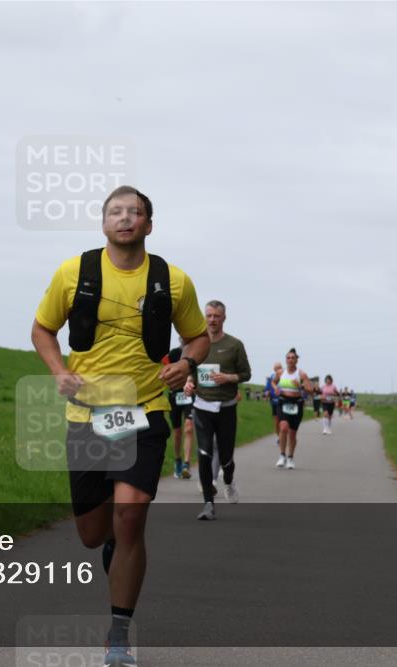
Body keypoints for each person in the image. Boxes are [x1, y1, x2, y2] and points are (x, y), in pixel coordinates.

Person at [31, 185, 209, 667]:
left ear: (149, 224)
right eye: (115, 211)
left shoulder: (173, 281)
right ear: (103, 222)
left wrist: (186, 364)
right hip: (87, 414)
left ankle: (119, 631)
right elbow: (42, 329)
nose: (125, 218)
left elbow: (197, 337)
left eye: (135, 213)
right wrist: (59, 372)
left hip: (146, 409)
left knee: (131, 515)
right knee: (94, 533)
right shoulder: (75, 272)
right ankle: (112, 541)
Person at [183, 300, 251, 520]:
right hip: (202, 405)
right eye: (209, 315)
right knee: (203, 454)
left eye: (216, 316)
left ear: (224, 318)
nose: (212, 320)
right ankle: (208, 505)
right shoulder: (194, 344)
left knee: (226, 458)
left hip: (226, 407)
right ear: (205, 317)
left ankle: (228, 481)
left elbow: (246, 374)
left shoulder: (234, 345)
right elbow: (189, 370)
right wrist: (188, 382)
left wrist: (228, 378)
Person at [269, 348, 313, 470]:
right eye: (288, 358)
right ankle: (282, 455)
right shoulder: (280, 373)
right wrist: (275, 388)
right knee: (283, 427)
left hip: (296, 404)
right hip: (283, 401)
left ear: (296, 360)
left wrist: (301, 385)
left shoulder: (301, 374)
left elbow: (311, 390)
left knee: (292, 434)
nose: (290, 360)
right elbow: (273, 382)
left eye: (293, 358)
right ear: (286, 360)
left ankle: (290, 458)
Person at [163, 338, 194, 479]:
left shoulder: (196, 353)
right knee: (177, 432)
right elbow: (163, 369)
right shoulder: (174, 353)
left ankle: (187, 464)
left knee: (188, 427)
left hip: (189, 395)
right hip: (175, 396)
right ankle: (178, 460)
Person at [265, 362, 282, 445]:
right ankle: (278, 437)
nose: (278, 369)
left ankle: (283, 435)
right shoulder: (271, 377)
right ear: (274, 369)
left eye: (279, 368)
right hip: (274, 401)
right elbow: (267, 387)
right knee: (276, 420)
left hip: (283, 400)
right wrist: (267, 393)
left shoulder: (285, 376)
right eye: (276, 368)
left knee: (283, 420)